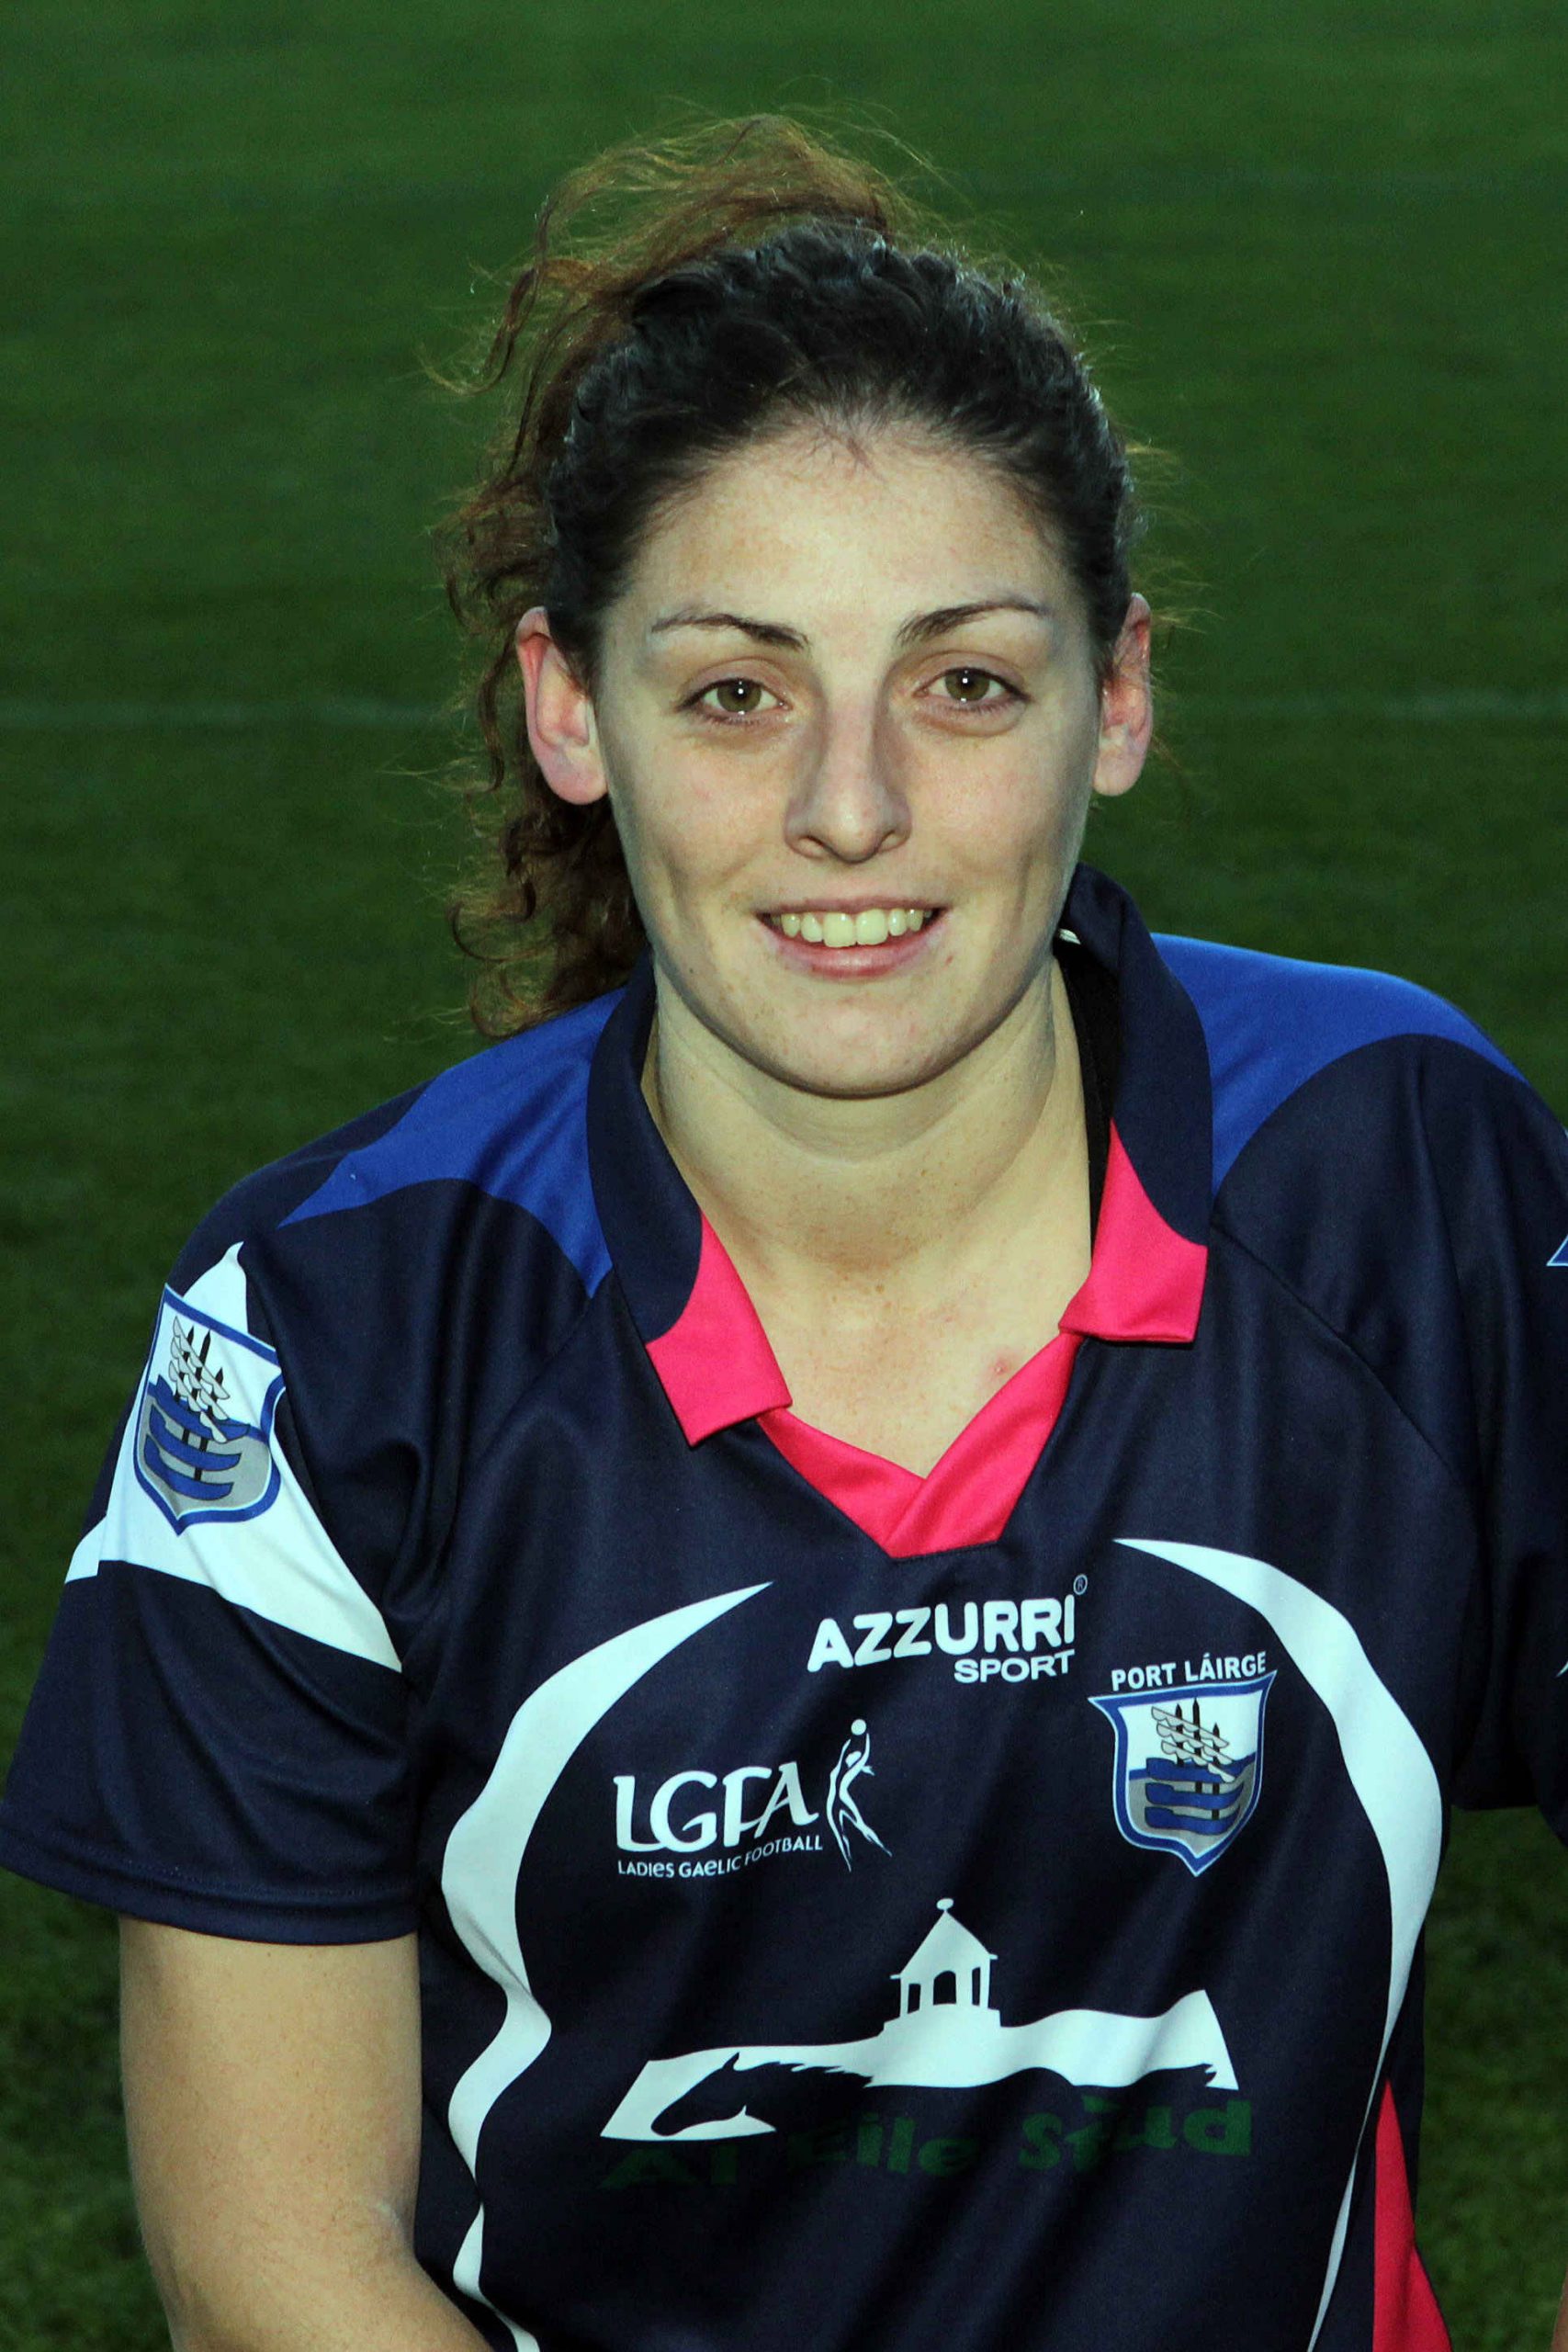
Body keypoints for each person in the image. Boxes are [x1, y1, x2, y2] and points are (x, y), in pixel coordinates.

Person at [1, 111, 1564, 2352]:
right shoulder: (336, 1328)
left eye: (964, 682)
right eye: (736, 690)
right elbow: (276, 2262)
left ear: (1116, 694)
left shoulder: (1392, 1171)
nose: (851, 804)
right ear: (571, 709)